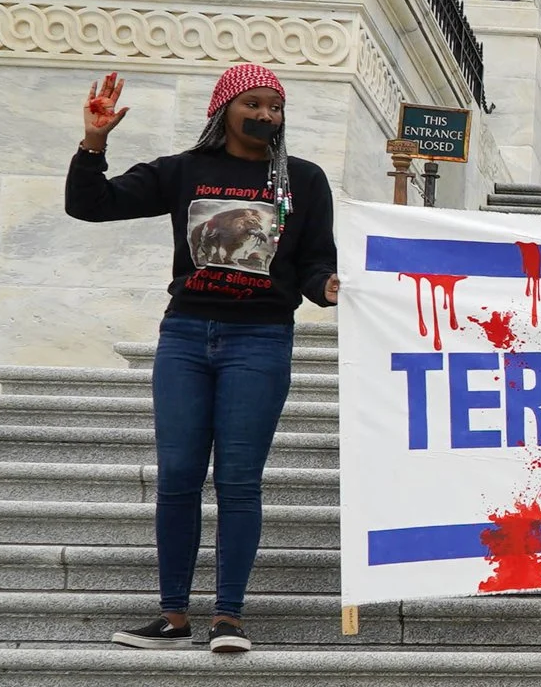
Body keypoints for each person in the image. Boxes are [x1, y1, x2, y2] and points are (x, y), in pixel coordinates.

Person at [68, 64, 339, 655]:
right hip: (187, 336)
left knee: (239, 481)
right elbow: (91, 205)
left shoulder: (303, 180)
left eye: (276, 106)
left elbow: (315, 262)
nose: (267, 115)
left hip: (260, 339)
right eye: (255, 104)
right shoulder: (183, 171)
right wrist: (94, 143)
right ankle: (172, 616)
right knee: (179, 477)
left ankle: (229, 617)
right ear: (225, 108)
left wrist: (330, 287)